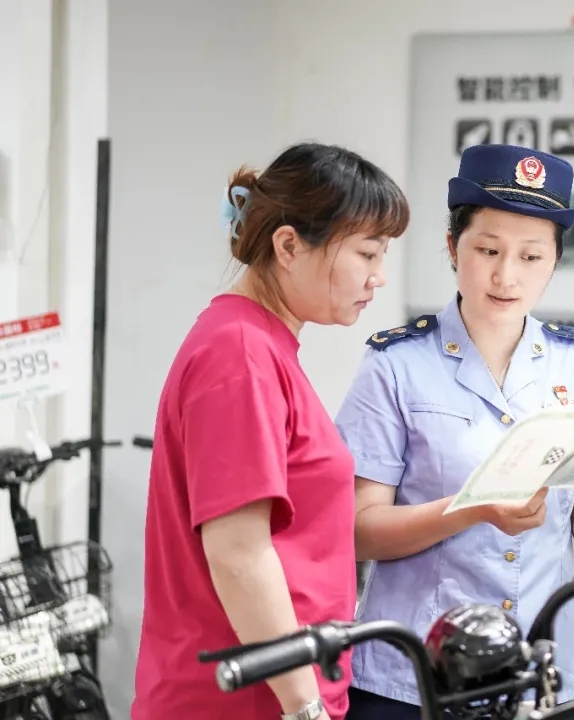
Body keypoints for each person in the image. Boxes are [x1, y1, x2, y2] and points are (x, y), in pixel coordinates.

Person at [334, 144, 574, 720]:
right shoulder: (396, 365)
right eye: (487, 250)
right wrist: (474, 509)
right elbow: (359, 531)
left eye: (531, 256)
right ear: (452, 246)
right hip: (416, 680)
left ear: (554, 261)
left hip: (544, 674)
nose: (506, 275)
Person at [131, 143, 409, 720]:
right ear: (288, 245)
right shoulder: (240, 353)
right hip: (251, 703)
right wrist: (304, 708)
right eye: (367, 253)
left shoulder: (258, 345)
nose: (378, 277)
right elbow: (239, 555)